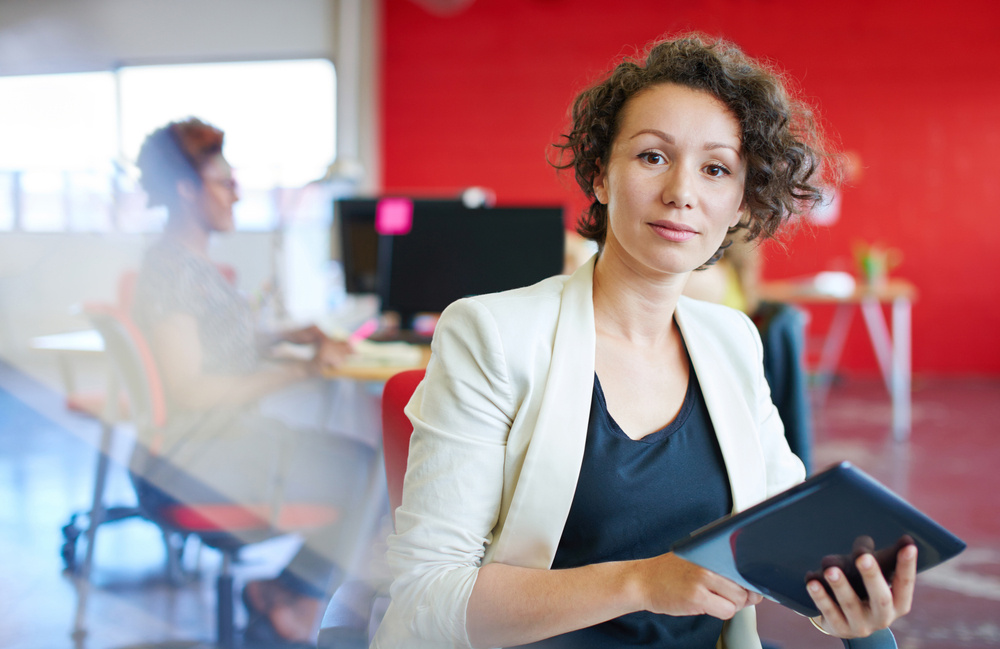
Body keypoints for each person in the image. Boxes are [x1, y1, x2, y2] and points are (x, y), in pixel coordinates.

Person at [372, 34, 917, 648]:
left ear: (739, 204)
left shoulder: (731, 340)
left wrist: (861, 620)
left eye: (716, 169)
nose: (682, 191)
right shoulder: (493, 334)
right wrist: (642, 582)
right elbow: (426, 599)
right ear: (601, 176)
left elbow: (791, 537)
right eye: (653, 156)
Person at [132, 117, 376, 646]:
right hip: (195, 460)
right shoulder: (173, 270)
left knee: (361, 465)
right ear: (185, 189)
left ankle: (287, 595)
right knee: (367, 472)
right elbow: (191, 389)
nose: (237, 193)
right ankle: (291, 598)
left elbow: (218, 342)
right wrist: (300, 368)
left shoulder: (189, 264)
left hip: (214, 445)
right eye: (225, 183)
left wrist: (288, 335)